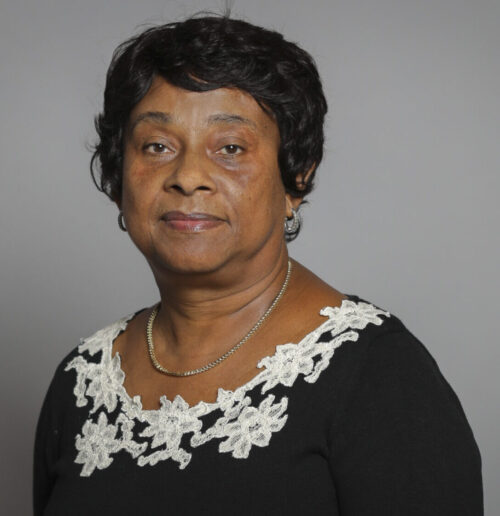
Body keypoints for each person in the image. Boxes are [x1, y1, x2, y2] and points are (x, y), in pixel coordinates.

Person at [33, 15, 483, 515]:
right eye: (157, 146)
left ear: (296, 176)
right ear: (119, 178)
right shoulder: (83, 381)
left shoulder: (381, 376)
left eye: (230, 148)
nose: (188, 176)